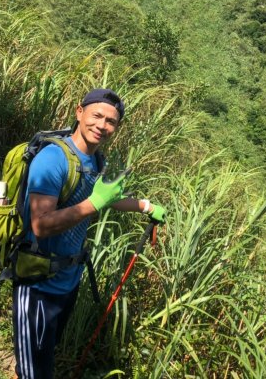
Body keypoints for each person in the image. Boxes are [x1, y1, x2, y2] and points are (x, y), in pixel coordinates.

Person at [12, 88, 166, 379]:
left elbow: (102, 197)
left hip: (68, 282)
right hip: (37, 285)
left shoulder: (95, 162)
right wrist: (94, 203)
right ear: (79, 112)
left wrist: (144, 205)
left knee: (42, 363)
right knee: (34, 372)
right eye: (97, 115)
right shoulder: (53, 159)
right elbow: (41, 225)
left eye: (111, 121)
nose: (102, 125)